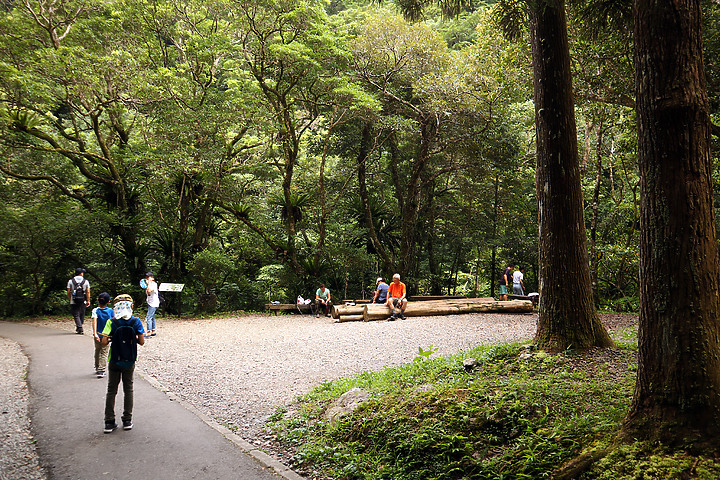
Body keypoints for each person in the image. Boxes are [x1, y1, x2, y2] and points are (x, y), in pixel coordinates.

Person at [101, 294, 145, 433]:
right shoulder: (136, 321)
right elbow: (142, 341)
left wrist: (111, 339)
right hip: (129, 360)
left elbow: (103, 342)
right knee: (128, 389)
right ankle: (127, 420)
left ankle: (109, 421)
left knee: (111, 390)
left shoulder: (112, 321)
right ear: (130, 306)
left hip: (114, 359)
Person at [91, 292, 114, 378]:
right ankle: (101, 369)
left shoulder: (95, 310)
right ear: (109, 301)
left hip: (98, 334)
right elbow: (112, 322)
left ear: (98, 300)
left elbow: (94, 322)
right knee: (104, 352)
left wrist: (95, 333)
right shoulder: (110, 311)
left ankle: (97, 367)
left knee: (97, 350)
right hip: (106, 335)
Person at [66, 268, 90, 334]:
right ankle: (80, 326)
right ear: (81, 273)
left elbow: (68, 291)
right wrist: (88, 300)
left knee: (76, 314)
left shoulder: (71, 281)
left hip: (74, 299)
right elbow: (88, 291)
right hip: (83, 299)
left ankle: (79, 328)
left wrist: (70, 298)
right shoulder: (86, 281)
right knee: (82, 313)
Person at [144, 272, 160, 336]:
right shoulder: (147, 284)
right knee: (152, 317)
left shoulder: (153, 284)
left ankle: (148, 332)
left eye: (149, 277)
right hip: (150, 302)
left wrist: (150, 283)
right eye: (147, 277)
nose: (147, 278)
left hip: (154, 303)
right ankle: (153, 330)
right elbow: (147, 293)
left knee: (149, 317)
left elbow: (150, 290)